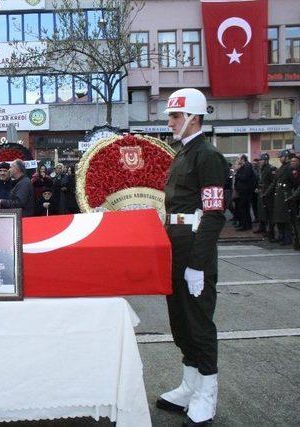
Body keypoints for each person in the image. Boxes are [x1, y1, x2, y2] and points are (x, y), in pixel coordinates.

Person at [157, 88, 227, 426]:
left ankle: (206, 394)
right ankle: (189, 385)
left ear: (193, 118)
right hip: (175, 245)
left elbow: (214, 214)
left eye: (175, 116)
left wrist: (198, 264)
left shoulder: (207, 156)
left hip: (194, 250)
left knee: (199, 324)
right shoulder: (181, 153)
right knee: (180, 324)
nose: (170, 122)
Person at [272, 150, 293, 245]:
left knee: (285, 218)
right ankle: (281, 236)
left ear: (286, 157)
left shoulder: (290, 167)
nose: (280, 159)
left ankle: (287, 238)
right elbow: (276, 180)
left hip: (286, 195)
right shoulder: (282, 167)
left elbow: (293, 182)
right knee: (279, 217)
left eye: (281, 157)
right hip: (279, 195)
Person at [233, 154, 256, 231]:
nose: (237, 160)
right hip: (242, 191)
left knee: (244, 209)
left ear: (243, 159)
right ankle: (246, 225)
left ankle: (245, 226)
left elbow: (244, 177)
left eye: (238, 158)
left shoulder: (247, 166)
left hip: (245, 191)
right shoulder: (244, 166)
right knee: (243, 209)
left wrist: (236, 173)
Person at [256, 153, 275, 236]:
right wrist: (258, 188)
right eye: (260, 160)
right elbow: (261, 181)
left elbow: (273, 182)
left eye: (262, 160)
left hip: (268, 194)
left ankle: (271, 231)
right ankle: (262, 227)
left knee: (269, 213)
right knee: (261, 212)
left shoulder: (271, 169)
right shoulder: (261, 169)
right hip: (261, 193)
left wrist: (266, 192)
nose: (260, 161)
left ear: (266, 160)